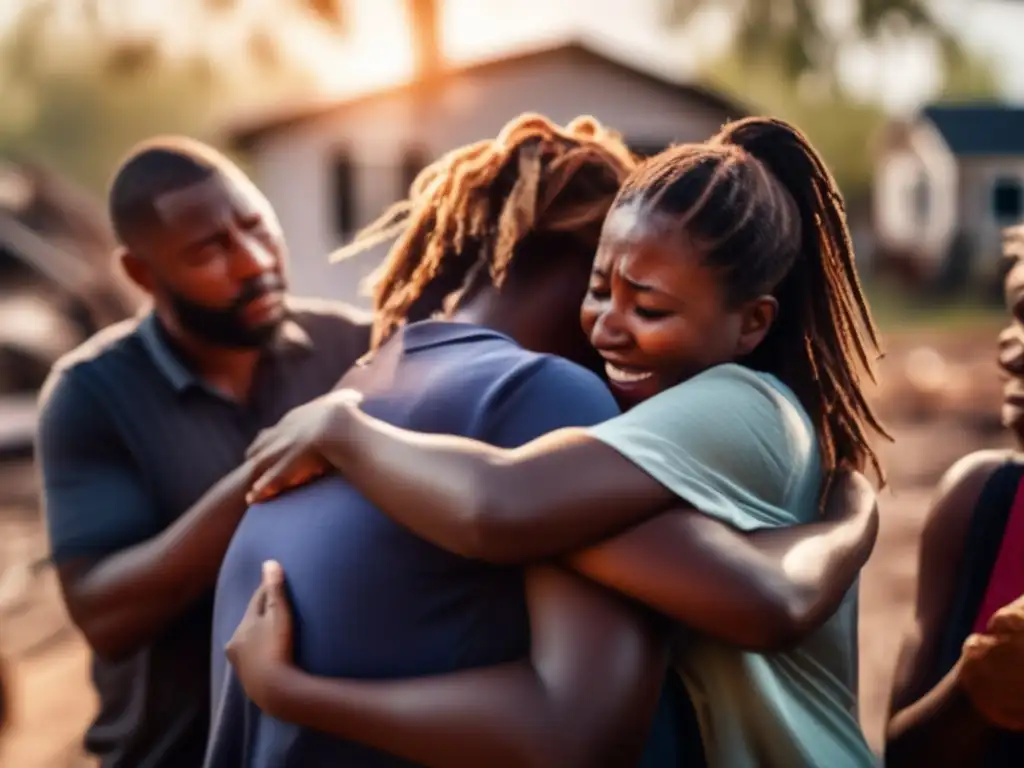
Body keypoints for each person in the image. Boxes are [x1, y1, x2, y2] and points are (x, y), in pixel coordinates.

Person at [225, 115, 882, 767]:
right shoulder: (642, 433)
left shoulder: (739, 407)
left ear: (752, 324)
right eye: (600, 291)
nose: (608, 329)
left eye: (650, 308)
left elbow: (498, 506)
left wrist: (347, 433)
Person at [35, 138, 371, 767]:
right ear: (141, 274)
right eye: (208, 250)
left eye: (255, 226)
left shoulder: (355, 347)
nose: (252, 262)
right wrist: (270, 469)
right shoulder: (90, 396)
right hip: (172, 755)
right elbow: (104, 614)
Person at [885, 225, 1024, 766]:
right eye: (1014, 316)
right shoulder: (980, 504)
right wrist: (978, 688)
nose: (1010, 355)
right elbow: (900, 753)